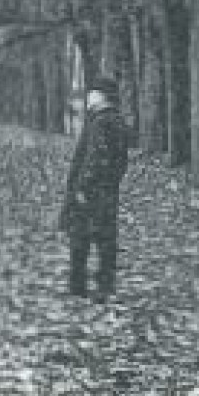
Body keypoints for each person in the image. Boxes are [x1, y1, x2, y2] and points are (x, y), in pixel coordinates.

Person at [59, 78, 129, 300]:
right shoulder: (116, 121)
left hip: (92, 191)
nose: (89, 97)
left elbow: (95, 159)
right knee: (106, 237)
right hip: (107, 190)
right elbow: (120, 161)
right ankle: (104, 285)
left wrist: (82, 187)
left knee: (81, 236)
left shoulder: (101, 122)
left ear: (103, 96)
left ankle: (79, 285)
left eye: (93, 93)